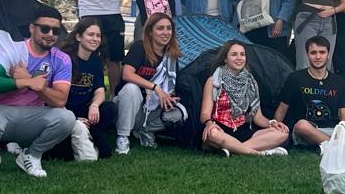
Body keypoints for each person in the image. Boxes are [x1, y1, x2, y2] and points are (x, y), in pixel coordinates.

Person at [0, 5, 78, 179]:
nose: (50, 34)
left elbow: (60, 100)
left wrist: (33, 83)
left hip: (32, 115)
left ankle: (32, 155)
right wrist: (27, 82)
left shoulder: (61, 58)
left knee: (67, 118)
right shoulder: (12, 49)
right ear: (31, 28)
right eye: (45, 28)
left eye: (56, 30)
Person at [275, 36, 345, 149]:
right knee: (301, 125)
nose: (318, 56)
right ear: (307, 54)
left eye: (322, 52)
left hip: (335, 131)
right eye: (313, 53)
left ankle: (334, 147)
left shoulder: (339, 81)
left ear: (328, 54)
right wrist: (275, 129)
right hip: (309, 130)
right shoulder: (295, 78)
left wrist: (343, 131)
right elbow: (282, 109)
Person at [199, 40, 290, 156]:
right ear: (225, 59)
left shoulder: (251, 82)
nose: (239, 58)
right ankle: (260, 154)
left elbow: (258, 118)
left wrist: (272, 123)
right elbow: (204, 114)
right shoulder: (213, 81)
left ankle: (233, 150)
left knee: (281, 133)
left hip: (243, 130)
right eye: (234, 54)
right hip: (220, 129)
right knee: (213, 134)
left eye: (242, 54)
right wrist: (209, 124)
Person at [114, 12, 187, 152]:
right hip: (127, 107)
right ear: (150, 32)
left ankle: (144, 130)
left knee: (179, 114)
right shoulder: (139, 47)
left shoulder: (171, 56)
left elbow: (170, 86)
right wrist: (156, 88)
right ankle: (122, 136)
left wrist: (168, 98)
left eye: (169, 28)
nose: (165, 32)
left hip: (150, 109)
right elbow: (127, 74)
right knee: (131, 89)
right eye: (160, 28)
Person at [49, 17, 117, 161]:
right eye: (90, 35)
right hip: (61, 110)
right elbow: (53, 96)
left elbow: (99, 90)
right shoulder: (65, 59)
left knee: (109, 108)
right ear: (79, 37)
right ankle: (85, 136)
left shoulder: (95, 61)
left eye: (98, 35)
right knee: (63, 155)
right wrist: (72, 118)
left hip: (85, 110)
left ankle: (89, 132)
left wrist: (94, 105)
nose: (95, 39)